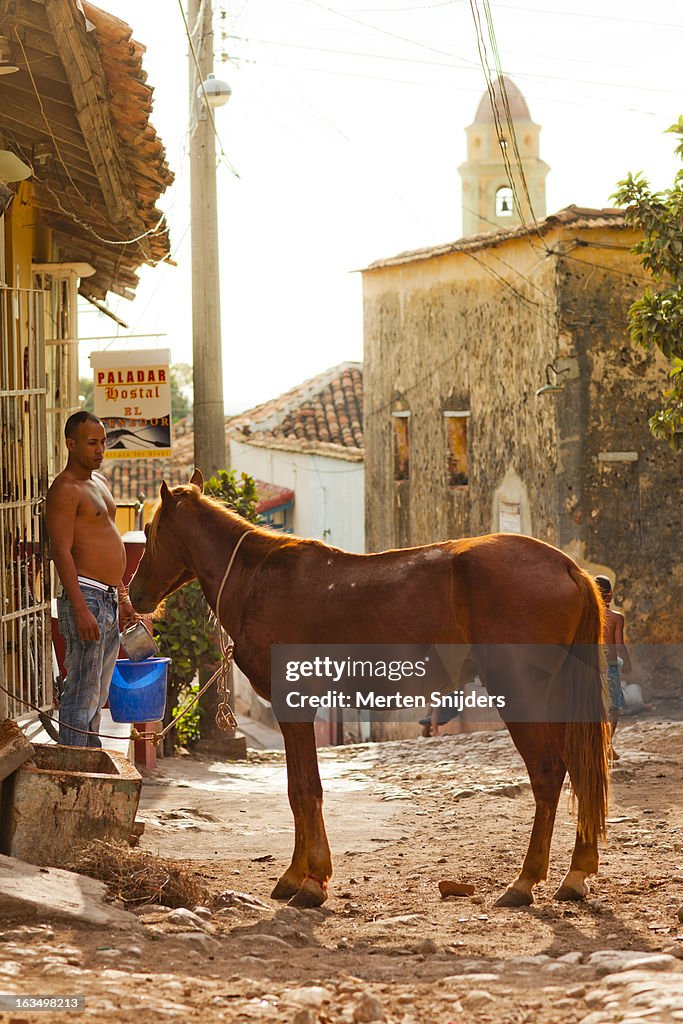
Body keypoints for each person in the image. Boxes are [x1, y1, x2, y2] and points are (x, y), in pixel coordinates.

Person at [46, 411, 136, 746]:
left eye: (103, 442)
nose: (100, 450)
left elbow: (108, 538)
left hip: (109, 599)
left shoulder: (99, 482)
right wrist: (81, 609)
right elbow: (61, 551)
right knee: (82, 691)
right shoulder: (65, 491)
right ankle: (73, 767)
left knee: (97, 692)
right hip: (87, 598)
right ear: (71, 444)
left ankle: (88, 757)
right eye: (92, 443)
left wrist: (123, 597)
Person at [594, 575, 632, 757]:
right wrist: (628, 663)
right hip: (610, 667)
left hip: (591, 668)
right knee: (614, 708)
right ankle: (607, 744)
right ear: (610, 595)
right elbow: (619, 645)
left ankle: (599, 745)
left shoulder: (587, 618)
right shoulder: (616, 618)